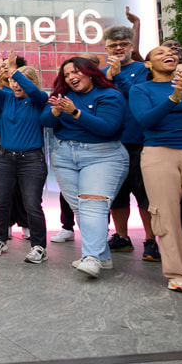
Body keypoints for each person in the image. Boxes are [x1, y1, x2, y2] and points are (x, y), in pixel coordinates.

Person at [41, 57, 128, 279]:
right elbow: (46, 121)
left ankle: (91, 257)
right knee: (81, 208)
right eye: (67, 74)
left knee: (92, 207)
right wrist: (56, 112)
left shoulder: (109, 95)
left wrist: (75, 112)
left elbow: (108, 127)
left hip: (102, 155)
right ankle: (103, 256)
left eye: (76, 72)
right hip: (64, 155)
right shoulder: (62, 95)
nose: (71, 77)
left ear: (90, 72)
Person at [129, 46, 182, 293]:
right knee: (165, 216)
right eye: (159, 53)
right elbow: (145, 121)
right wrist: (174, 98)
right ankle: (178, 275)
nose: (167, 53)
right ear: (148, 65)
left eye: (170, 51)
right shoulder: (141, 89)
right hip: (158, 154)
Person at [0, 59, 48, 264]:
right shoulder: (7, 98)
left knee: (32, 204)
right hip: (5, 158)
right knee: (1, 202)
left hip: (31, 160)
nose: (17, 84)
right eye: (13, 81)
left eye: (21, 81)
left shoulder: (39, 99)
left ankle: (39, 247)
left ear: (32, 83)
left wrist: (15, 73)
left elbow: (34, 91)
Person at [102, 25, 158, 261]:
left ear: (131, 46)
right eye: (113, 45)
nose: (118, 49)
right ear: (106, 47)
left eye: (123, 44)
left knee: (145, 195)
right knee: (117, 195)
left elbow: (139, 97)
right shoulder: (102, 75)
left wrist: (118, 76)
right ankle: (122, 237)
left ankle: (150, 240)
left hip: (141, 142)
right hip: (112, 143)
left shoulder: (145, 70)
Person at [0, 55, 30, 242]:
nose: (3, 70)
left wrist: (12, 84)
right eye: (0, 67)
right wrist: (0, 87)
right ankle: (5, 224)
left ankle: (26, 222)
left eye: (7, 67)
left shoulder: (24, 85)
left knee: (22, 182)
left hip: (19, 135)